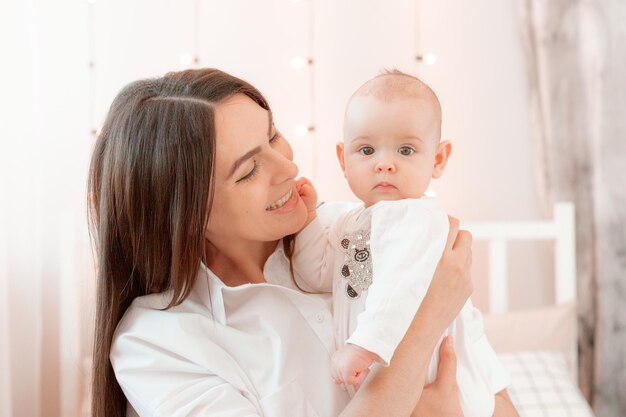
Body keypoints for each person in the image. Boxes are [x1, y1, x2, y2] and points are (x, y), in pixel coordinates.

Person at [88, 67, 475, 417]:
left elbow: (495, 391)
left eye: (273, 135)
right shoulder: (157, 343)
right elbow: (434, 321)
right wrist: (423, 329)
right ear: (186, 215)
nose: (288, 167)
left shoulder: (364, 229)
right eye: (249, 170)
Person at [292, 70, 519, 417]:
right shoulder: (350, 221)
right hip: (390, 390)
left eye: (406, 149)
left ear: (438, 159)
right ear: (343, 159)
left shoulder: (417, 218)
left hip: (436, 385)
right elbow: (318, 275)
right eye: (366, 150)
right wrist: (308, 220)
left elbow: (398, 289)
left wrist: (363, 348)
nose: (385, 163)